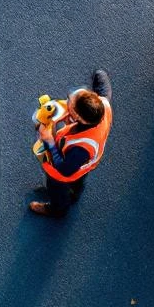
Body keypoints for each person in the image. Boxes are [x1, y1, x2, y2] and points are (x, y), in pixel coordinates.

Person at [30, 69, 113, 217]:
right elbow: (103, 84)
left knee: (57, 187)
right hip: (84, 165)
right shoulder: (102, 105)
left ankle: (57, 209)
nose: (67, 101)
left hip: (65, 172)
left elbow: (63, 169)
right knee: (78, 183)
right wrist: (98, 74)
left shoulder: (81, 148)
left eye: (70, 103)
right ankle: (74, 194)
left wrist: (49, 141)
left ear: (77, 117)